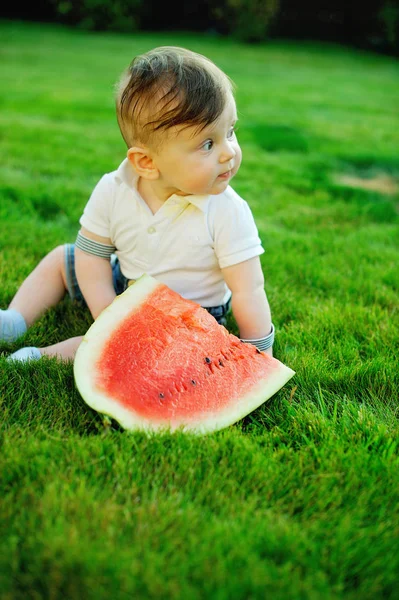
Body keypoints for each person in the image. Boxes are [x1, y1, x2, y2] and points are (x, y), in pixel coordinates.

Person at [1, 46, 274, 362]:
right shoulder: (114, 189)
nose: (229, 152)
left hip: (190, 314)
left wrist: (259, 353)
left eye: (230, 131)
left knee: (131, 349)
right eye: (208, 144)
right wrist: (107, 312)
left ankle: (43, 356)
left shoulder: (227, 211)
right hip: (126, 285)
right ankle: (16, 320)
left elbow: (248, 290)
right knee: (64, 258)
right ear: (146, 162)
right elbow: (91, 256)